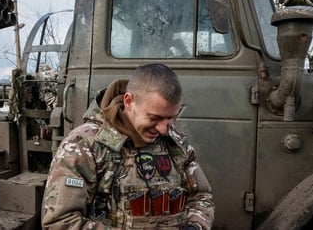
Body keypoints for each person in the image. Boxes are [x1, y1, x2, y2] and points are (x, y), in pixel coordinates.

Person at [41, 63, 214, 230]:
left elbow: (201, 197)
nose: (163, 129)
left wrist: (194, 226)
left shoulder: (175, 142)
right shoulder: (84, 145)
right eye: (154, 118)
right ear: (129, 101)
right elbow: (60, 222)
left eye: (170, 118)